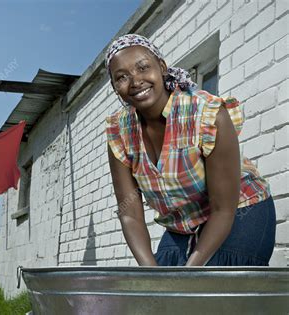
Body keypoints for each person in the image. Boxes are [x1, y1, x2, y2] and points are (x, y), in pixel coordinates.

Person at [105, 34, 275, 266]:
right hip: (183, 221)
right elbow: (129, 213)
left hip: (238, 210)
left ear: (162, 68)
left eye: (143, 67)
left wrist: (188, 275)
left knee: (206, 292)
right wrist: (150, 275)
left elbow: (222, 210)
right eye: (122, 77)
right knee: (161, 294)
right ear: (116, 88)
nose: (135, 81)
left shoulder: (206, 113)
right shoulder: (119, 131)